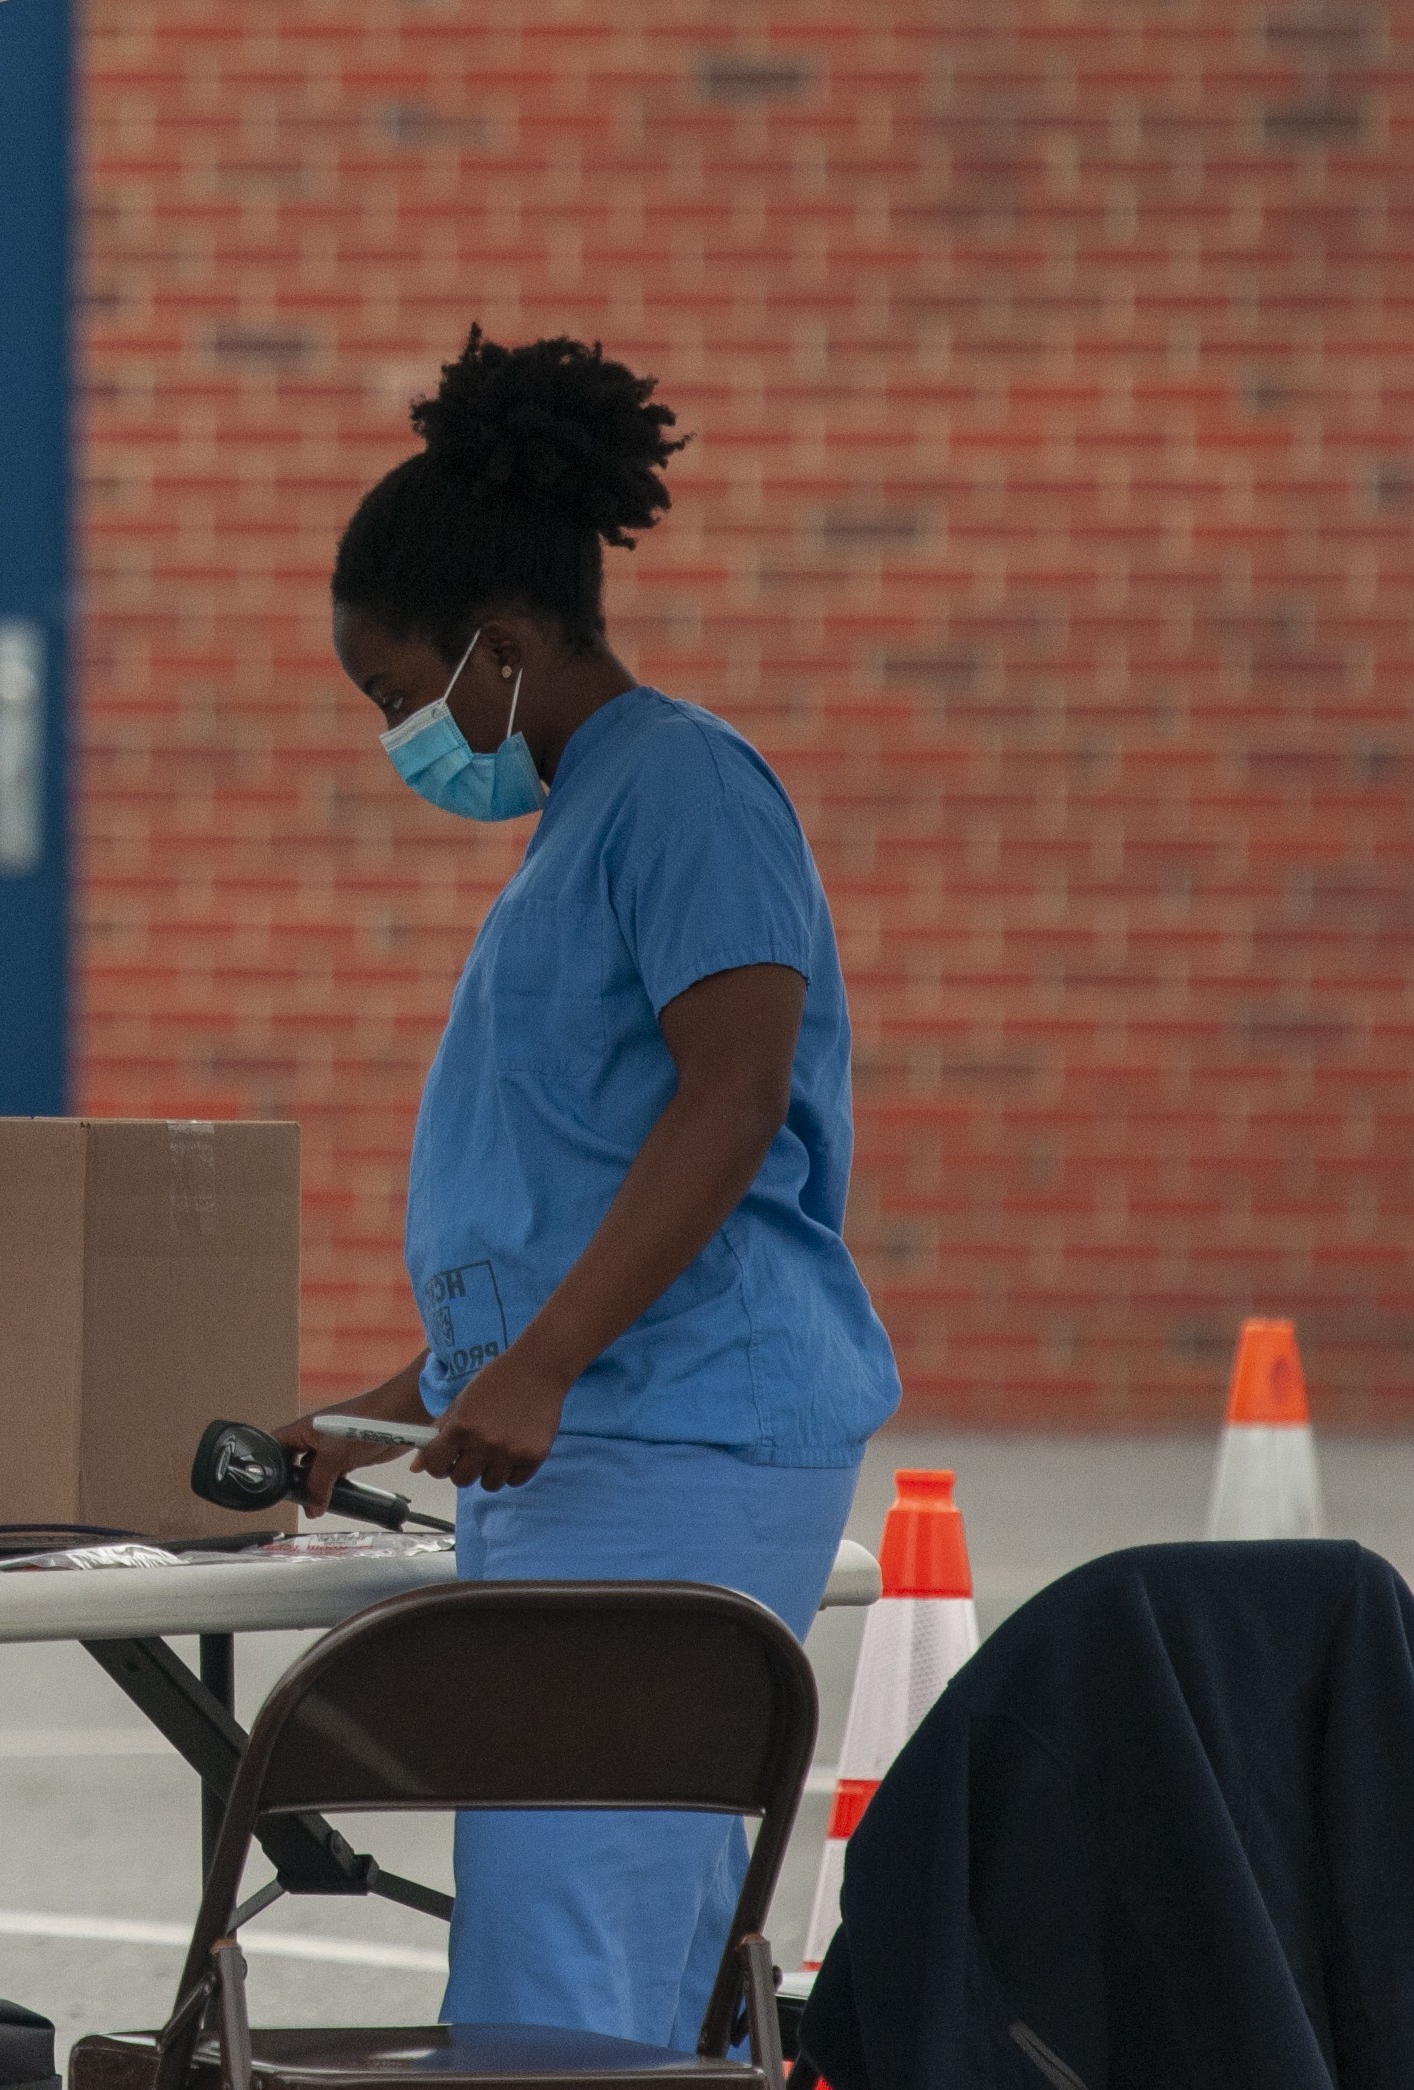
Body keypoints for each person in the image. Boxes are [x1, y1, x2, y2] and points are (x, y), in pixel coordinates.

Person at [280, 330, 900, 2050]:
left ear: (504, 642)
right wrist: (398, 1400)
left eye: (402, 693)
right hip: (595, 1435)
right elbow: (561, 1201)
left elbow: (733, 1094)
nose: (402, 734)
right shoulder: (578, 824)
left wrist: (543, 1365)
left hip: (682, 1437)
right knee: (585, 1938)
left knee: (577, 1967)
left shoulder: (686, 789)